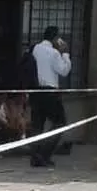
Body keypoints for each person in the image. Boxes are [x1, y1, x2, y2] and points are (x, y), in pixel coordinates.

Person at [27, 26, 71, 168]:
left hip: (35, 91)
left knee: (37, 125)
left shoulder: (35, 49)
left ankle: (35, 156)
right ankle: (44, 153)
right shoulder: (54, 53)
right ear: (55, 38)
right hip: (50, 92)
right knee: (60, 123)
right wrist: (65, 54)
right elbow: (64, 71)